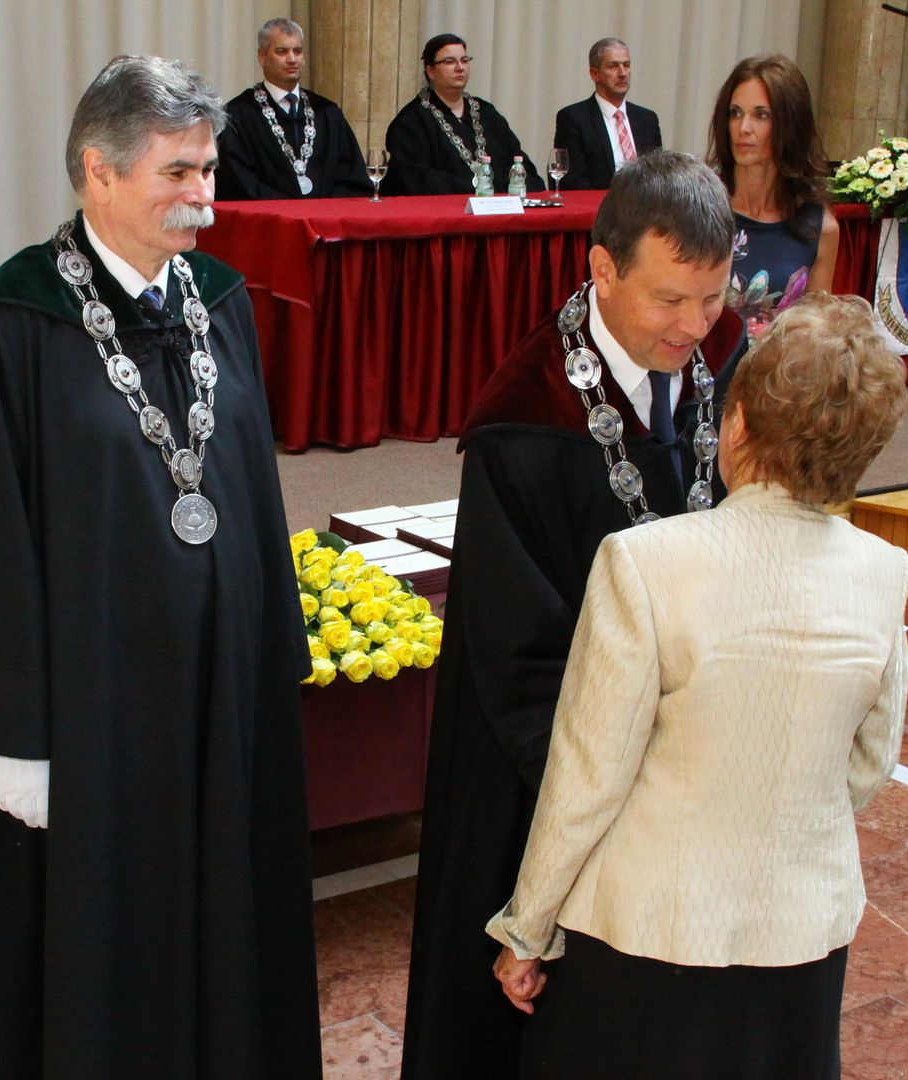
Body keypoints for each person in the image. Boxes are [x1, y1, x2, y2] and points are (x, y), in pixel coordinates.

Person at [0, 55, 321, 1079]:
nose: (204, 197)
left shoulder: (220, 301)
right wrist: (16, 734)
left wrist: (272, 662)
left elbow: (251, 493)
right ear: (97, 170)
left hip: (213, 698)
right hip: (92, 714)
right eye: (177, 173)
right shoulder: (13, 327)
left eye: (208, 171)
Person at [491, 292, 908, 1080]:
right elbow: (867, 764)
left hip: (648, 931)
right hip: (801, 933)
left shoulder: (643, 561)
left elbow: (587, 776)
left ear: (737, 425)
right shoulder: (885, 571)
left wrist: (528, 928)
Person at [400, 150, 746, 1080]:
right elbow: (515, 652)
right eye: (669, 299)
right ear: (602, 267)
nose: (695, 326)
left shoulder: (725, 356)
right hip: (559, 776)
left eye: (711, 297)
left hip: (699, 758)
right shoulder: (522, 424)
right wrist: (625, 780)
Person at [708, 54, 838, 339]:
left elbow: (814, 338)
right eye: (735, 113)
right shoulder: (701, 206)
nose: (743, 128)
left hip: (777, 366)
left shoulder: (820, 227)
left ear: (790, 124)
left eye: (761, 115)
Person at [217, 18, 372, 199]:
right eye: (282, 51)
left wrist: (320, 210)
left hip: (326, 215)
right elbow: (238, 183)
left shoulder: (327, 113)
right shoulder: (238, 114)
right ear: (262, 56)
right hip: (269, 215)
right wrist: (292, 211)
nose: (292, 59)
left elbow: (352, 179)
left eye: (297, 51)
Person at [383, 33, 543, 195]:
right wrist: (473, 191)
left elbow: (519, 164)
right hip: (445, 207)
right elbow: (415, 178)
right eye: (449, 61)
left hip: (499, 206)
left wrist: (505, 194)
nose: (460, 67)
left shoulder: (487, 113)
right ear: (430, 71)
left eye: (464, 60)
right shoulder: (411, 122)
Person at [552, 37, 662, 190]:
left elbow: (658, 176)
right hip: (600, 204)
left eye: (626, 65)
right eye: (613, 66)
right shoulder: (574, 119)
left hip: (644, 202)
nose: (622, 73)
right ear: (595, 74)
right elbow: (571, 183)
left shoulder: (647, 119)